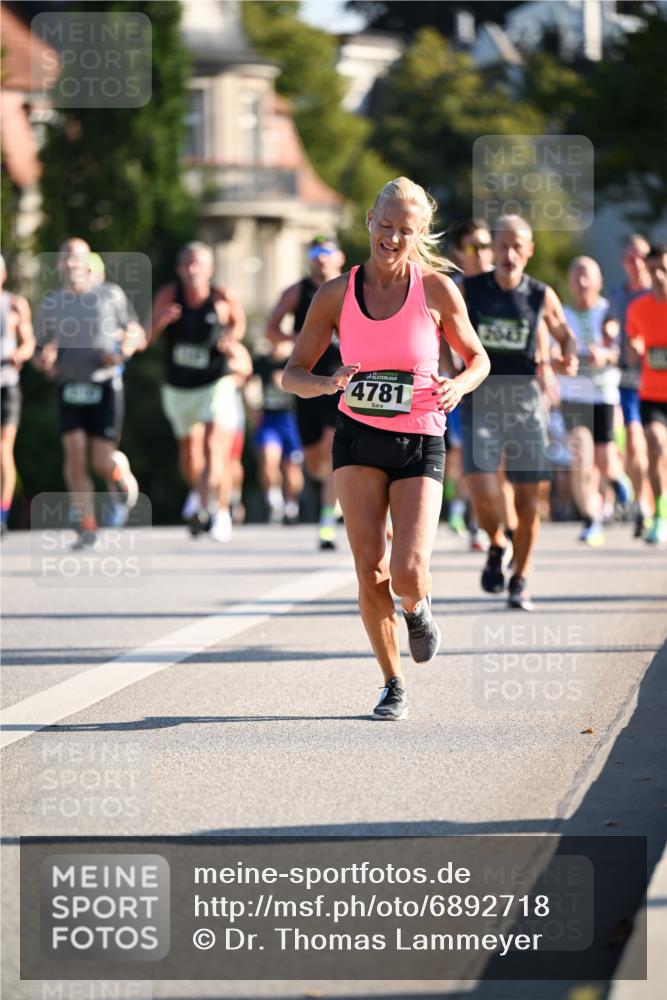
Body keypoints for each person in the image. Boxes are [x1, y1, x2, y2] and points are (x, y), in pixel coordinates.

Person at [283, 177, 490, 721]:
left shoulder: (438, 290)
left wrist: (458, 385)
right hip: (357, 435)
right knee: (368, 568)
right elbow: (292, 374)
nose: (393, 237)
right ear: (370, 220)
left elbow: (478, 359)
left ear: (420, 235)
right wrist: (327, 383)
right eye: (386, 224)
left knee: (407, 570)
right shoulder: (335, 293)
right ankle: (392, 682)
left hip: (421, 435)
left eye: (406, 229)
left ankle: (418, 608)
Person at [461, 215, 578, 611]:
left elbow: (564, 333)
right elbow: (441, 327)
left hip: (525, 401)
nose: (509, 254)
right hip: (480, 398)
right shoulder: (469, 288)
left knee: (529, 501)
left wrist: (569, 355)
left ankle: (521, 578)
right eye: (503, 245)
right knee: (481, 487)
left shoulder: (540, 295)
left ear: (530, 251)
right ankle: (496, 543)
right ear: (491, 249)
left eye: (518, 246)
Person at [34, 238, 143, 547]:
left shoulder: (110, 295)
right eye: (65, 258)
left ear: (88, 263)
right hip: (69, 386)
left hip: (105, 385)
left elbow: (135, 331)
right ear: (58, 265)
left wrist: (122, 352)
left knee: (99, 461)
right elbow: (39, 350)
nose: (71, 264)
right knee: (74, 452)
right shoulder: (51, 304)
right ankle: (86, 524)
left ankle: (118, 472)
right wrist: (44, 362)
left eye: (77, 258)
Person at [150, 242, 251, 542]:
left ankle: (218, 512)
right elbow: (148, 335)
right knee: (189, 454)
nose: (193, 269)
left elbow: (239, 324)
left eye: (199, 264)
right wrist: (161, 321)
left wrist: (230, 337)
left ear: (210, 270)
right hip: (179, 387)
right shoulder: (169, 295)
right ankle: (199, 493)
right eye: (188, 264)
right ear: (180, 269)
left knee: (213, 447)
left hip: (214, 381)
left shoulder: (222, 296)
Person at [267, 236, 345, 549]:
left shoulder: (351, 288)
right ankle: (332, 495)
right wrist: (296, 336)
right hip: (308, 383)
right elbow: (270, 330)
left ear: (339, 257)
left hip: (341, 381)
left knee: (332, 448)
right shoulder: (298, 292)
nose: (321, 258)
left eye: (327, 252)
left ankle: (326, 522)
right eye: (315, 252)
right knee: (315, 461)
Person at [559, 256, 625, 546]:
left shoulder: (608, 313)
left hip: (603, 395)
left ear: (598, 281)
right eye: (577, 276)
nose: (583, 282)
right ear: (570, 282)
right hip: (573, 395)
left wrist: (605, 356)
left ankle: (619, 484)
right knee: (581, 458)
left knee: (606, 462)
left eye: (588, 276)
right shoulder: (560, 315)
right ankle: (591, 518)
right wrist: (560, 363)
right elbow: (549, 354)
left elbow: (619, 352)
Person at [446, 219, 500, 550]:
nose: (479, 254)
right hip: (466, 386)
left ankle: (498, 529)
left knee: (499, 465)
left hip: (505, 387)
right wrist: (447, 372)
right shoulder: (452, 289)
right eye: (471, 248)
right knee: (468, 457)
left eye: (484, 246)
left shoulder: (506, 284)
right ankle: (473, 521)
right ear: (459, 252)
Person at [607, 234, 652, 536]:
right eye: (630, 258)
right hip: (627, 377)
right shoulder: (617, 295)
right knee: (635, 442)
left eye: (641, 257)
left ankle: (652, 501)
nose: (636, 264)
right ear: (623, 262)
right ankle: (643, 504)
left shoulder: (658, 294)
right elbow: (608, 325)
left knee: (655, 446)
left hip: (658, 378)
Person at [626, 243, 667, 545]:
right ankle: (660, 516)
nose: (659, 275)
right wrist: (634, 349)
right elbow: (631, 345)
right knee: (655, 445)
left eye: (664, 269)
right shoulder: (637, 308)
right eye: (654, 270)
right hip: (652, 394)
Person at [0, 254, 35, 536]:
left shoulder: (14, 304)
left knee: (3, 449)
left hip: (7, 385)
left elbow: (29, 342)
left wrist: (18, 355)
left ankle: (2, 513)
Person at [252, 338, 304, 524]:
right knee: (268, 460)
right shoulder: (261, 363)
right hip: (269, 420)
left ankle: (291, 506)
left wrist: (286, 384)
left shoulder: (295, 362)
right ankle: (275, 500)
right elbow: (248, 383)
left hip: (291, 421)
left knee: (291, 467)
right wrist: (252, 406)